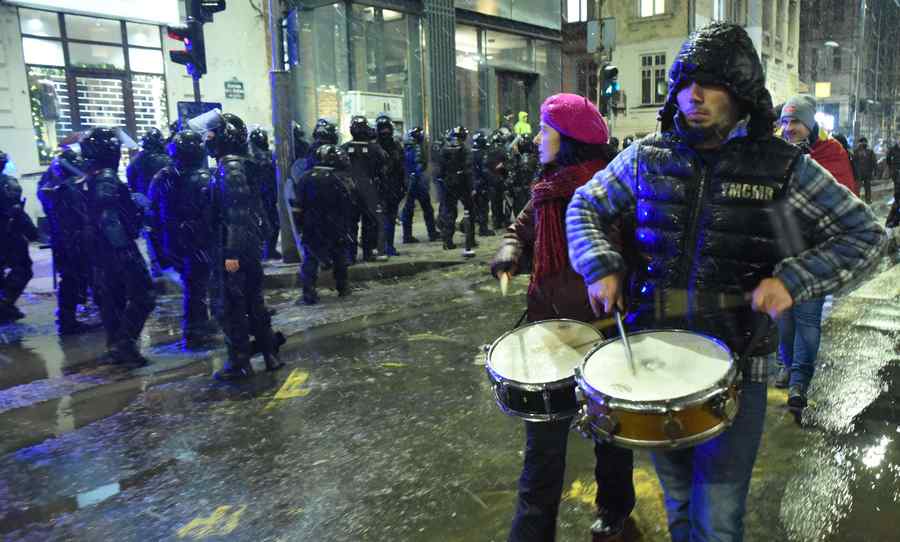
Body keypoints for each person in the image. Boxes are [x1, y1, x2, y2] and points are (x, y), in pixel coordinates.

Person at [565, 23, 885, 541]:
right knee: (680, 503)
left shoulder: (783, 168)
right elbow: (585, 205)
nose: (695, 96)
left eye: (711, 84)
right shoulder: (647, 157)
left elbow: (866, 235)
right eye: (686, 83)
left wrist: (795, 280)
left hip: (739, 364)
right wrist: (599, 263)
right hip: (655, 360)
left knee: (719, 517)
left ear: (740, 93)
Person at [491, 93, 635, 542]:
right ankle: (532, 530)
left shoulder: (608, 192)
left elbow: (636, 251)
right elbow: (521, 229)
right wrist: (509, 254)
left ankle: (614, 509)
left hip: (602, 333)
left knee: (608, 434)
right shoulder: (545, 189)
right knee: (542, 448)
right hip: (547, 333)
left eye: (546, 129)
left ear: (569, 139)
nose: (537, 138)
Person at [776, 95, 860, 411]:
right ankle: (787, 364)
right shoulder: (778, 153)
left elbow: (845, 199)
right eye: (784, 122)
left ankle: (799, 381)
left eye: (795, 121)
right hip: (783, 253)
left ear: (809, 124)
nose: (788, 128)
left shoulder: (832, 153)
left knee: (807, 318)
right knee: (784, 320)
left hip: (816, 253)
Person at [206, 113, 284, 380]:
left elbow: (236, 212)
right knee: (253, 302)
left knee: (232, 306)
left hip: (236, 249)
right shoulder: (241, 164)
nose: (209, 139)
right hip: (246, 245)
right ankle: (269, 354)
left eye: (212, 134)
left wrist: (231, 252)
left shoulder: (231, 167)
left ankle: (240, 362)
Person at [80, 128, 156, 366]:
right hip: (116, 247)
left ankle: (116, 344)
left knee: (113, 297)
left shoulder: (90, 177)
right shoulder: (106, 178)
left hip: (99, 249)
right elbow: (108, 217)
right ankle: (124, 343)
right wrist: (124, 251)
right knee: (143, 294)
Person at [148, 130, 216, 349]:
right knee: (199, 284)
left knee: (192, 284)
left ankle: (198, 325)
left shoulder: (162, 176)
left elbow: (153, 210)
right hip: (198, 239)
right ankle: (196, 330)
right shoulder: (203, 178)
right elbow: (212, 212)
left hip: (173, 239)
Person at [38, 147, 96, 334]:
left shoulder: (50, 185)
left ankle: (67, 317)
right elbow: (83, 214)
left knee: (70, 279)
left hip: (61, 238)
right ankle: (68, 320)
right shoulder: (69, 188)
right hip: (74, 238)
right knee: (74, 278)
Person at [291, 144, 354, 305]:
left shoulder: (305, 178)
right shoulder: (338, 178)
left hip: (311, 226)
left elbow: (298, 206)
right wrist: (346, 227)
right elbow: (346, 205)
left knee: (310, 259)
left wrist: (300, 226)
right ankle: (343, 287)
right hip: (335, 226)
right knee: (339, 257)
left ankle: (309, 292)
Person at [127, 127, 173, 278]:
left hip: (147, 206)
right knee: (167, 235)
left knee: (151, 238)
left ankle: (156, 269)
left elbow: (132, 184)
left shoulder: (135, 161)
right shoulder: (168, 159)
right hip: (166, 205)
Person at [0, 150, 38, 324]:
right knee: (23, 269)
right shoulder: (8, 184)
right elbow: (17, 212)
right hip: (9, 235)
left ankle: (6, 306)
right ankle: (5, 303)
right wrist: (32, 232)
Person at [343, 116, 387, 262]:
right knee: (369, 222)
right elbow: (383, 167)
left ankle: (350, 254)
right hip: (369, 189)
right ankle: (368, 252)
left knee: (350, 223)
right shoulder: (375, 148)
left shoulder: (344, 148)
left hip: (350, 190)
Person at [435, 126, 474, 250]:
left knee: (450, 212)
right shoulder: (464, 150)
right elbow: (468, 169)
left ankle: (447, 241)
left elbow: (440, 169)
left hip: (449, 183)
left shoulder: (445, 149)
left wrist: (444, 179)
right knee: (469, 211)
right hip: (462, 184)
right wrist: (471, 186)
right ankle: (470, 240)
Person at [374, 114, 407, 256]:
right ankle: (384, 246)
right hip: (383, 188)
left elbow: (401, 168)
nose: (385, 133)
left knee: (383, 219)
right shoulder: (375, 147)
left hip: (387, 188)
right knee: (385, 219)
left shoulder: (393, 147)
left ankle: (384, 247)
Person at [400, 127, 438, 244]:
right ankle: (431, 233)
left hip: (411, 181)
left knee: (409, 209)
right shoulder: (416, 147)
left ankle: (407, 235)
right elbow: (419, 164)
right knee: (425, 209)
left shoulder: (406, 146)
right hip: (416, 181)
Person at [248, 128, 282, 260]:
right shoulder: (254, 157)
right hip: (264, 194)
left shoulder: (264, 156)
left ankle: (267, 250)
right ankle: (266, 250)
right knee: (267, 223)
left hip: (265, 194)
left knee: (269, 223)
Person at [470, 131, 494, 236]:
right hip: (481, 184)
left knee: (475, 207)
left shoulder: (471, 152)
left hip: (472, 183)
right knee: (483, 207)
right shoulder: (482, 154)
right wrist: (492, 179)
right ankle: (483, 229)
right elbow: (485, 171)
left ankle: (473, 228)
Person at [853, 137, 877, 204]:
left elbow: (874, 161)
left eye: (864, 142)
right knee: (857, 188)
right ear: (859, 143)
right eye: (861, 142)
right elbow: (853, 160)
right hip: (858, 173)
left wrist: (875, 171)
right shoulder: (856, 151)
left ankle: (868, 200)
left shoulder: (870, 151)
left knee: (868, 187)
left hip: (867, 173)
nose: (863, 143)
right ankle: (857, 200)